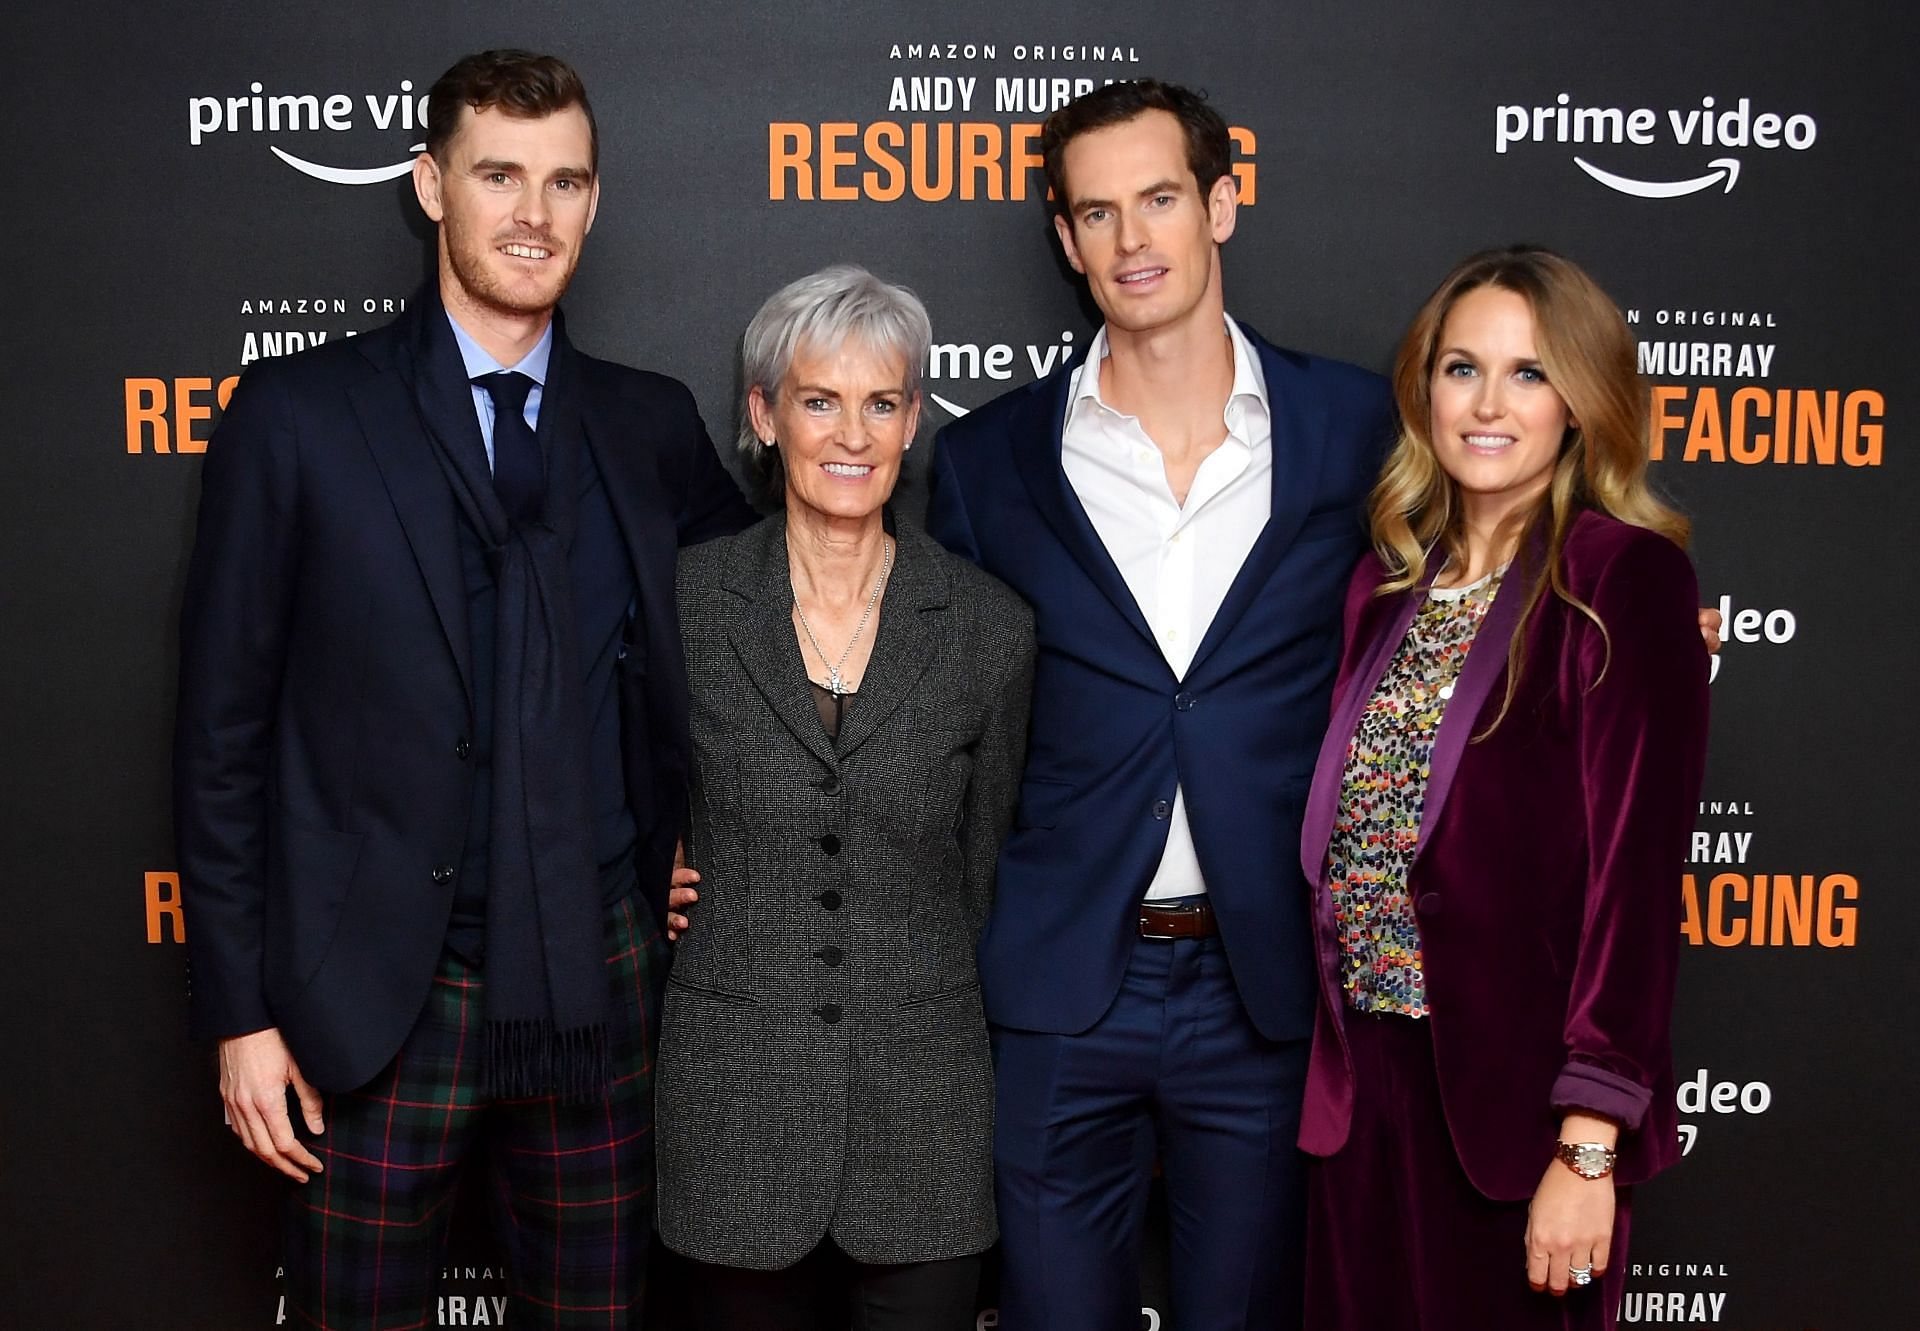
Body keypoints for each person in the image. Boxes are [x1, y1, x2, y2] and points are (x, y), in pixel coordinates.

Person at [173, 49, 752, 1328]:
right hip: (375, 990)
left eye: (563, 181)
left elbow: (760, 625)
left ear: (595, 203)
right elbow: (219, 737)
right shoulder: (300, 415)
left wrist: (700, 832)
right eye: (499, 175)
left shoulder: (647, 426)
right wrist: (240, 1016)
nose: (532, 214)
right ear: (433, 186)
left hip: (600, 972)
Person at [925, 81, 1395, 1331]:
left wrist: (1613, 607)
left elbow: (1479, 573)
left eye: (1161, 200)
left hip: (1265, 982)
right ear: (1065, 241)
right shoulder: (987, 462)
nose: (1133, 239)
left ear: (1221, 205)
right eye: (1098, 212)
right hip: (1059, 975)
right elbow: (930, 710)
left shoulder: (1355, 428)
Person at [1296, 246, 1710, 1330]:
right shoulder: (1388, 588)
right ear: (1423, 386)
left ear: (1580, 401)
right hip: (1366, 1102)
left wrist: (1589, 1142)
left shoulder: (1625, 577)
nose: (1487, 404)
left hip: (1520, 1118)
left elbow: (1632, 885)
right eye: (1461, 367)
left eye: (1529, 373)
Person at [656, 265, 1035, 1331]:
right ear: (763, 414)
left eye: (882, 402)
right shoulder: (686, 603)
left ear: (915, 418)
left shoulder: (986, 626)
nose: (852, 433)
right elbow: (623, 794)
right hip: (732, 1106)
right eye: (820, 400)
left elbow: (984, 869)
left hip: (925, 1119)